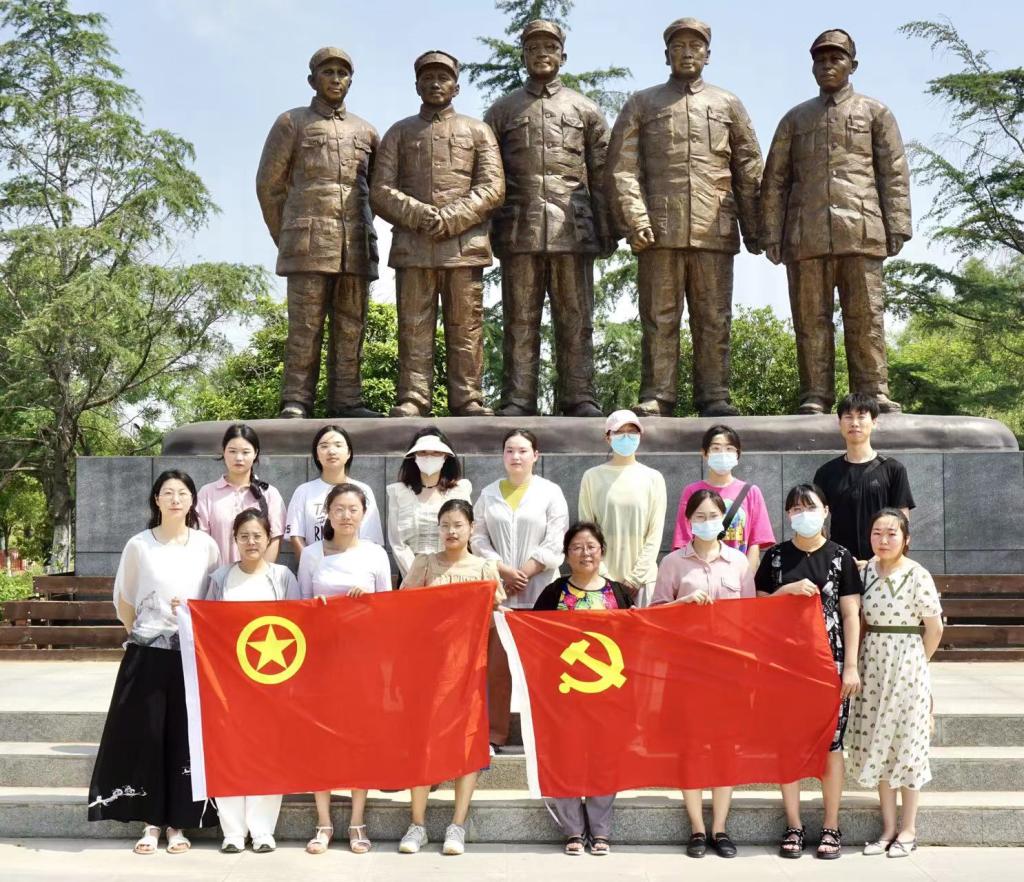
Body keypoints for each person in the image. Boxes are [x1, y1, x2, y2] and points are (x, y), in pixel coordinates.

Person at [607, 17, 762, 417]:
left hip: (714, 228)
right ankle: (658, 395)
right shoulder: (643, 103)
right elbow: (622, 168)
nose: (687, 53)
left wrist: (756, 229)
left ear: (708, 55)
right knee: (659, 319)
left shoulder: (727, 104)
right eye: (679, 47)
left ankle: (715, 395)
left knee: (714, 318)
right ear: (666, 55)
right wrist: (635, 218)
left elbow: (748, 168)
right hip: (658, 230)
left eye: (695, 46)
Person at [760, 29, 911, 414]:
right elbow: (775, 180)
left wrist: (897, 224)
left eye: (836, 58)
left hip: (861, 231)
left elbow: (893, 171)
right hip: (806, 235)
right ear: (812, 67)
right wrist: (771, 233)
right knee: (810, 320)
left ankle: (873, 390)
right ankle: (815, 393)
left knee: (866, 318)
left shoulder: (875, 112)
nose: (827, 65)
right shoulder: (795, 119)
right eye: (820, 60)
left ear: (852, 65)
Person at [88, 470, 220, 854]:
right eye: (168, 493)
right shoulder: (139, 545)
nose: (175, 499)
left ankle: (179, 823)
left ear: (193, 501)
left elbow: (213, 598)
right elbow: (124, 598)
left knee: (184, 736)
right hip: (148, 653)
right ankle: (150, 822)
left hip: (191, 655)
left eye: (182, 493)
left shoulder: (206, 546)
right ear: (156, 500)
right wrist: (144, 633)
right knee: (148, 734)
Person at [485, 18, 612, 417]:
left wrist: (608, 230)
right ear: (523, 56)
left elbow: (604, 173)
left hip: (573, 228)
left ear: (563, 56)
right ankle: (517, 397)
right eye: (534, 48)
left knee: (576, 318)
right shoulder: (502, 111)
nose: (542, 53)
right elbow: (486, 175)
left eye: (550, 47)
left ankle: (580, 395)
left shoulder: (585, 109)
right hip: (519, 228)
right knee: (520, 319)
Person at [370, 49, 504, 416]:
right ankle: (413, 398)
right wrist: (418, 214)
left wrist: (451, 217)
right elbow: (380, 190)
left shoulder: (478, 131)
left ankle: (469, 398)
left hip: (463, 246)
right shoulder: (399, 132)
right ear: (416, 86)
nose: (435, 84)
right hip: (414, 246)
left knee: (466, 327)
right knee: (413, 327)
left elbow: (493, 187)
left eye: (443, 78)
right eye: (427, 78)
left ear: (456, 87)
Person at [256, 46, 381, 418]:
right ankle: (296, 400)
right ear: (312, 80)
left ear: (351, 81)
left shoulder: (367, 131)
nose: (336, 79)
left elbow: (377, 191)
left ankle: (347, 400)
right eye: (328, 72)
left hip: (355, 244)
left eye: (343, 73)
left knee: (351, 327)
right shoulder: (291, 122)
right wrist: (287, 236)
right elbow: (269, 186)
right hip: (307, 243)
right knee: (305, 326)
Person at [755, 483, 862, 860]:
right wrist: (784, 592)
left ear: (826, 511)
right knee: (788, 743)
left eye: (811, 507)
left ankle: (831, 825)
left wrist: (851, 666)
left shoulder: (841, 557)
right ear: (787, 515)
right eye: (796, 509)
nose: (804, 515)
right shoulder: (775, 558)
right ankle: (794, 824)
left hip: (830, 664)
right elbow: (759, 610)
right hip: (785, 666)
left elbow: (850, 614)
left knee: (832, 743)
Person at [652, 489, 754, 859]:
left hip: (729, 669)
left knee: (726, 746)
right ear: (688, 521)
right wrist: (682, 603)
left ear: (723, 519)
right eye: (700, 516)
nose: (707, 522)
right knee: (691, 745)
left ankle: (719, 828)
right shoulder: (673, 563)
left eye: (713, 515)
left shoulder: (739, 562)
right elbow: (655, 614)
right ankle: (697, 828)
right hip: (687, 668)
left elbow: (751, 618)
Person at [398, 498, 503, 856]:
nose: (451, 531)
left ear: (471, 528)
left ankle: (457, 824)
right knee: (422, 743)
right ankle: (417, 824)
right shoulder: (425, 564)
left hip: (469, 670)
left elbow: (495, 617)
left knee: (466, 744)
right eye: (445, 525)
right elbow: (403, 609)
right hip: (427, 670)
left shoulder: (485, 568)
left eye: (458, 524)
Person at [295, 482, 392, 855]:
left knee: (359, 738)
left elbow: (388, 610)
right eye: (339, 509)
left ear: (364, 514)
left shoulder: (375, 554)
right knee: (320, 739)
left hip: (362, 660)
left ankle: (357, 821)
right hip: (321, 659)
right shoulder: (312, 555)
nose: (346, 516)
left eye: (353, 509)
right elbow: (299, 607)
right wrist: (318, 608)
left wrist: (367, 603)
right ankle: (323, 821)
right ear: (328, 514)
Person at [848, 509, 944, 858]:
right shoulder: (864, 572)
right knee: (879, 743)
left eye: (892, 534)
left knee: (908, 746)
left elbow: (934, 629)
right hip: (872, 666)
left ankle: (908, 829)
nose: (884, 540)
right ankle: (888, 828)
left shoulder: (917, 574)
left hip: (908, 665)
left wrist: (918, 664)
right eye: (877, 533)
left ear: (906, 539)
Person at [533, 522, 632, 856]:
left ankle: (600, 830)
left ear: (602, 551)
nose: (585, 553)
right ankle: (573, 830)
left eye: (591, 546)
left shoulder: (619, 593)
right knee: (566, 756)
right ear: (566, 555)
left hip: (608, 692)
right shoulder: (554, 593)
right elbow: (534, 635)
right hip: (564, 693)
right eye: (576, 547)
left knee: (604, 758)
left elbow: (638, 634)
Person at [202, 510, 298, 853]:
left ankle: (262, 831)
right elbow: (206, 624)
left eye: (257, 535)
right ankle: (232, 831)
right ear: (234, 540)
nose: (251, 542)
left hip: (273, 681)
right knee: (229, 751)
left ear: (269, 538)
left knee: (268, 752)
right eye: (244, 536)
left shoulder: (282, 577)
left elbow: (298, 624)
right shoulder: (220, 578)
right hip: (228, 681)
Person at [472, 428, 568, 750]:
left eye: (523, 450)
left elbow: (555, 539)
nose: (516, 456)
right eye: (510, 450)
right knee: (498, 670)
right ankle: (496, 734)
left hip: (540, 593)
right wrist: (502, 570)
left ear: (535, 456)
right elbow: (478, 538)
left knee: (541, 671)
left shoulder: (550, 492)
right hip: (500, 594)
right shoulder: (488, 494)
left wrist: (524, 573)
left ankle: (542, 734)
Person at [813, 393, 915, 564]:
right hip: (840, 564)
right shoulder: (825, 473)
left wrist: (876, 562)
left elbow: (901, 524)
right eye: (848, 417)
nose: (854, 423)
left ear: (874, 422)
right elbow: (817, 522)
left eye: (861, 417)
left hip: (883, 565)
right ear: (840, 423)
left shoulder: (893, 469)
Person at [578, 410, 666, 607]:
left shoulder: (653, 478)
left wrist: (636, 578)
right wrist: (605, 576)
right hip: (601, 580)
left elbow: (655, 533)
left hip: (643, 582)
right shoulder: (592, 477)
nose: (626, 437)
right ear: (608, 437)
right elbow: (587, 532)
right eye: (619, 432)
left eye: (632, 432)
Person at [671, 424, 775, 570]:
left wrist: (747, 577)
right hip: (700, 571)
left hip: (738, 574)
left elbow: (755, 543)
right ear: (704, 453)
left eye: (729, 448)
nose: (723, 454)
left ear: (737, 454)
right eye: (716, 448)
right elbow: (683, 539)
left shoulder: (751, 492)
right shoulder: (692, 491)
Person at [285, 424, 384, 558]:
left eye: (338, 445)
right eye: (324, 446)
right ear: (317, 455)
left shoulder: (363, 490)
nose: (331, 451)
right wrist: (312, 564)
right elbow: (296, 536)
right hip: (316, 566)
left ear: (348, 453)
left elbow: (371, 538)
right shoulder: (303, 491)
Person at [386, 428, 473, 579]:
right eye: (423, 453)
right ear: (414, 456)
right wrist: (417, 575)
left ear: (446, 456)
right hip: (410, 576)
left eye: (436, 453)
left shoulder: (460, 490)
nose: (429, 457)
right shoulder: (399, 492)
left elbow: (467, 533)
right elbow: (397, 542)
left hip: (452, 573)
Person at [196, 424, 287, 564]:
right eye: (232, 451)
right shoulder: (207, 493)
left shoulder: (269, 493)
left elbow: (275, 539)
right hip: (217, 574)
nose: (239, 458)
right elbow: (201, 541)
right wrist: (217, 574)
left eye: (245, 452)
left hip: (258, 576)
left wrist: (260, 574)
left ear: (255, 453)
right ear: (224, 451)